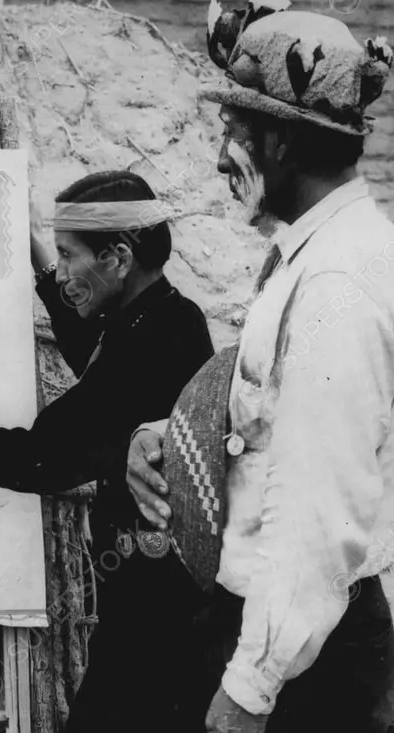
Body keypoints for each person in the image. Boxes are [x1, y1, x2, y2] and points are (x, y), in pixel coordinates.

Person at [126, 5, 394, 732]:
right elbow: (283, 427)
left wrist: (249, 688)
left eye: (233, 135)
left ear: (279, 141)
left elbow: (318, 514)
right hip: (307, 640)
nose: (219, 158)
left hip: (308, 669)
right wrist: (174, 435)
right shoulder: (328, 254)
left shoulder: (335, 285)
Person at [0, 171, 214, 733]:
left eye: (67, 255)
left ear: (118, 257)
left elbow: (48, 454)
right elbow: (96, 357)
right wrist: (40, 263)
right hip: (154, 588)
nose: (60, 273)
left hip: (157, 603)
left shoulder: (151, 337)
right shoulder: (161, 315)